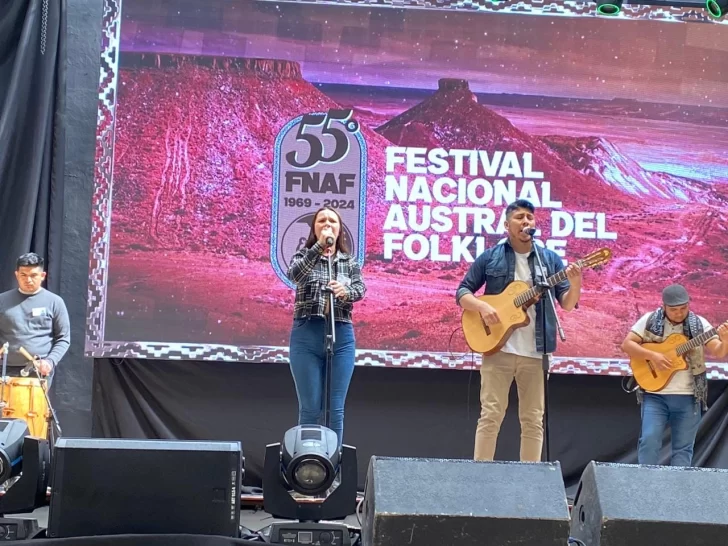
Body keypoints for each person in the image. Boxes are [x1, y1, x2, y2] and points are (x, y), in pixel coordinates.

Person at [456, 199, 582, 462]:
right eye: (519, 217)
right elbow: (462, 292)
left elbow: (568, 304)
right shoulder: (491, 256)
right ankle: (480, 475)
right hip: (498, 348)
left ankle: (531, 481)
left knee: (533, 419)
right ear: (506, 225)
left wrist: (576, 280)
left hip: (536, 352)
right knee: (491, 414)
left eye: (530, 218)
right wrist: (481, 307)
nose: (526, 222)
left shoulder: (549, 260)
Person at [621, 284, 728, 466]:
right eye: (673, 310)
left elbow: (718, 351)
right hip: (655, 396)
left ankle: (678, 491)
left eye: (683, 308)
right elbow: (627, 345)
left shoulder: (699, 323)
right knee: (649, 440)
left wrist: (724, 339)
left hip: (688, 396)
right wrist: (653, 356)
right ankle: (645, 486)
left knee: (683, 447)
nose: (679, 313)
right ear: (663, 307)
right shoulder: (650, 320)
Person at [286, 207, 366, 446]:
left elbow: (360, 289)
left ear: (340, 228)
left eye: (333, 221)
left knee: (335, 409)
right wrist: (319, 247)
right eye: (322, 220)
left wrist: (346, 292)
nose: (327, 224)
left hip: (340, 334)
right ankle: (309, 470)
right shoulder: (303, 256)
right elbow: (295, 275)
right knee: (310, 408)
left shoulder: (349, 262)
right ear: (314, 228)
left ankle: (333, 470)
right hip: (306, 333)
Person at [0, 253, 70, 379]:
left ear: (43, 276)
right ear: (16, 275)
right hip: (5, 370)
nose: (28, 280)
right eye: (23, 275)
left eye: (33, 275)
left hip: (38, 370)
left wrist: (50, 361)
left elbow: (63, 338)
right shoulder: (2, 300)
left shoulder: (55, 302)